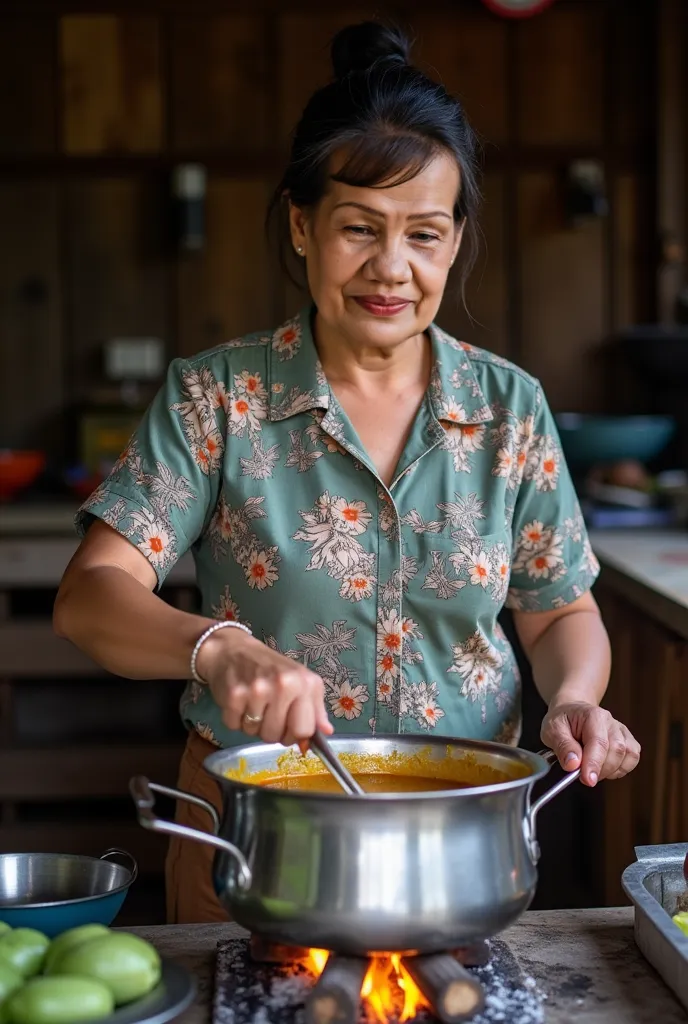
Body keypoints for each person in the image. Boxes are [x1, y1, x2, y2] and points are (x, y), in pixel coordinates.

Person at [54, 21, 640, 924]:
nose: (392, 268)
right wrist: (217, 647)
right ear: (301, 224)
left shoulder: (509, 408)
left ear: (454, 241)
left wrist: (573, 698)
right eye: (359, 228)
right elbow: (91, 594)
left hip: (462, 837)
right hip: (255, 833)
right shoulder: (219, 399)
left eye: (425, 234)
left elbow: (559, 606)